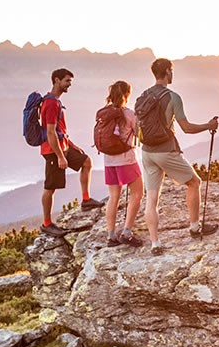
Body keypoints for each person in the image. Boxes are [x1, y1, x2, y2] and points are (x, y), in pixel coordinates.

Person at [136, 57, 219, 238]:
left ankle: (155, 243)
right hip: (165, 151)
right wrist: (208, 126)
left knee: (151, 198)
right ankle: (195, 227)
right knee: (194, 182)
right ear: (167, 71)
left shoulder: (143, 96)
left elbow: (137, 128)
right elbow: (187, 128)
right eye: (171, 70)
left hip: (146, 152)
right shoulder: (173, 97)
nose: (172, 74)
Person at [40, 67, 103, 237]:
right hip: (53, 151)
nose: (69, 84)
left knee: (86, 162)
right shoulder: (51, 103)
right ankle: (46, 224)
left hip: (63, 146)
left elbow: (59, 131)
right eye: (67, 81)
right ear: (56, 80)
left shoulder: (55, 101)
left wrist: (71, 145)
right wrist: (60, 156)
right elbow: (50, 132)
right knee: (50, 187)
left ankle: (86, 199)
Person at [98, 80, 150, 251]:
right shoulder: (129, 114)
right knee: (137, 193)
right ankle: (127, 232)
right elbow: (140, 135)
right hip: (126, 160)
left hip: (108, 161)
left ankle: (111, 235)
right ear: (127, 94)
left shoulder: (103, 113)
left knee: (113, 197)